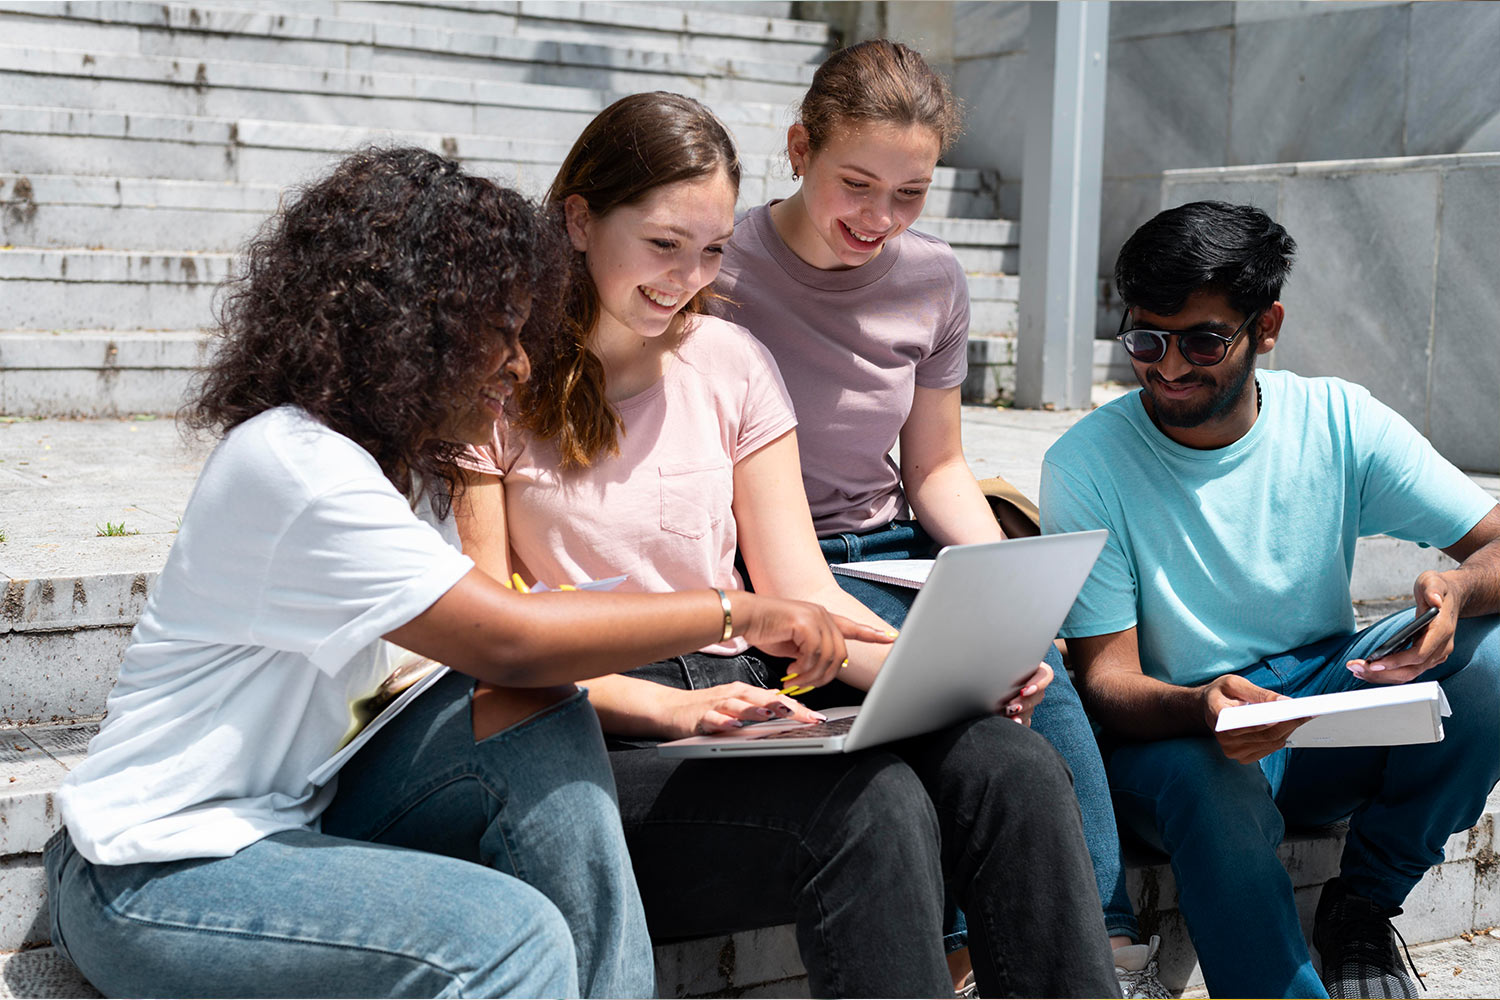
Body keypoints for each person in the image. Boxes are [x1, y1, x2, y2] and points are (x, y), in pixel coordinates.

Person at [43, 146, 885, 999]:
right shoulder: (294, 467)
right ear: (413, 329)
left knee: (536, 716)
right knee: (507, 936)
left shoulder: (405, 467)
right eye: (502, 334)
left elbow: (511, 669)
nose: (521, 366)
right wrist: (733, 610)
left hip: (306, 808)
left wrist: (677, 703)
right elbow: (509, 639)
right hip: (153, 873)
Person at [459, 91, 1118, 999]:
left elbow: (802, 586)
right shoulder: (491, 385)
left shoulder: (729, 360)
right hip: (599, 725)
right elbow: (491, 646)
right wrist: (676, 712)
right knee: (872, 807)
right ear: (578, 219)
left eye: (714, 250)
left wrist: (945, 671)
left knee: (1012, 767)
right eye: (662, 244)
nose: (687, 277)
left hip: (753, 693)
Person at [713, 38, 1164, 997]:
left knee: (1041, 670)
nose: (879, 219)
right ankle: (971, 951)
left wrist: (1003, 578)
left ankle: (1103, 945)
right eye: (857, 183)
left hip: (892, 547)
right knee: (963, 708)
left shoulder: (933, 280)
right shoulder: (722, 269)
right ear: (798, 147)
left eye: (910, 193)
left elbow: (938, 467)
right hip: (771, 563)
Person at [1040, 200, 1500, 999]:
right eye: (1147, 339)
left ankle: (1361, 907)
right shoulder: (1088, 463)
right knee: (1210, 780)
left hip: (1322, 705)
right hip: (1177, 736)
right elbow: (1107, 684)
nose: (1170, 367)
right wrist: (1201, 708)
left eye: (1204, 341)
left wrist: (1459, 586)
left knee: (1492, 659)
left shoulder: (1339, 420)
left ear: (1268, 325)